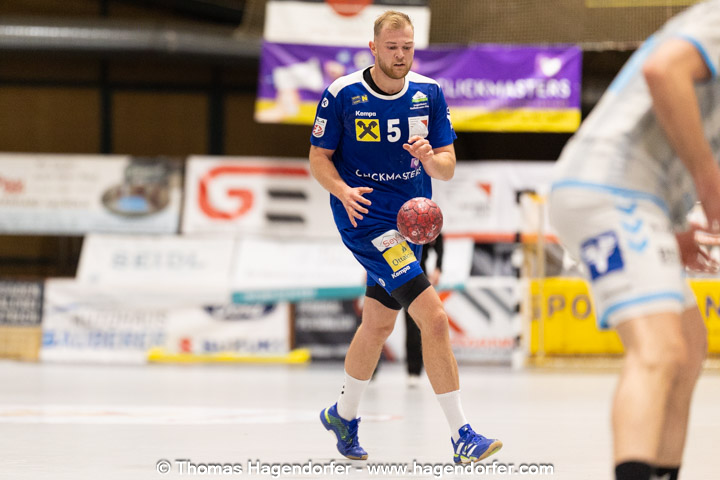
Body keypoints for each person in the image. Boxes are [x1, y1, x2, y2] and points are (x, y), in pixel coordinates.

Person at [308, 10, 502, 464]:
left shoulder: (428, 93)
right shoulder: (343, 94)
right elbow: (319, 157)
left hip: (410, 223)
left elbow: (447, 166)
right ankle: (462, 435)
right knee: (434, 319)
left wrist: (431, 159)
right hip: (366, 221)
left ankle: (342, 415)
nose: (400, 55)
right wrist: (341, 190)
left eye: (408, 48)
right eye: (392, 47)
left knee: (377, 325)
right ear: (373, 48)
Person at [548, 2, 720, 479]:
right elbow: (663, 71)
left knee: (688, 347)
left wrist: (672, 232)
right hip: (609, 190)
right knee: (659, 351)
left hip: (638, 201)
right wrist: (709, 182)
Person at [405, 233, 444, 387]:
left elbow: (439, 239)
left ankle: (414, 371)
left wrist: (438, 267)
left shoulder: (421, 221)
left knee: (413, 325)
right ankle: (370, 371)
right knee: (378, 324)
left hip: (416, 275)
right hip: (389, 272)